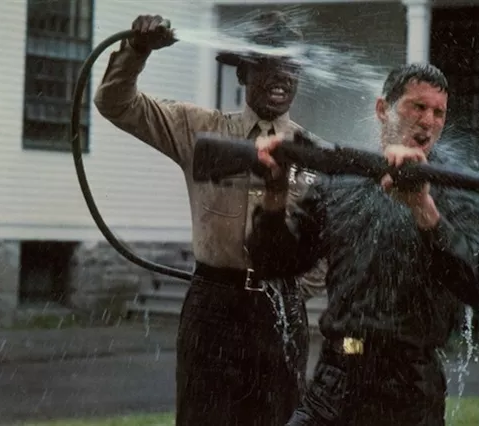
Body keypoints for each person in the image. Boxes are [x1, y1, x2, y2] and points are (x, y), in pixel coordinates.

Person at [93, 11, 326, 426]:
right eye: (268, 63)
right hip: (213, 305)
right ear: (243, 73)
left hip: (281, 311)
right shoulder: (200, 130)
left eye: (291, 66)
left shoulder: (313, 152)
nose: (281, 76)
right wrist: (137, 50)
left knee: (280, 417)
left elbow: (327, 241)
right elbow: (115, 102)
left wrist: (289, 291)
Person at [247, 63, 479, 425]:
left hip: (409, 389)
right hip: (336, 378)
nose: (428, 121)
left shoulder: (460, 189)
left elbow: (476, 281)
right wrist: (274, 192)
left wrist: (423, 209)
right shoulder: (343, 180)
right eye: (417, 107)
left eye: (438, 112)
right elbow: (274, 263)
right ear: (383, 109)